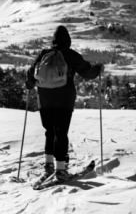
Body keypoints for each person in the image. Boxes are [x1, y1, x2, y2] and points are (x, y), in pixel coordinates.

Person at [26, 25, 103, 182]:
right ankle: (60, 170)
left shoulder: (44, 54)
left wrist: (29, 84)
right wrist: (98, 69)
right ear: (68, 41)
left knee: (50, 132)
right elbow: (87, 72)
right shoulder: (69, 55)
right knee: (61, 133)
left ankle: (48, 167)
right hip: (63, 100)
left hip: (45, 100)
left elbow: (30, 75)